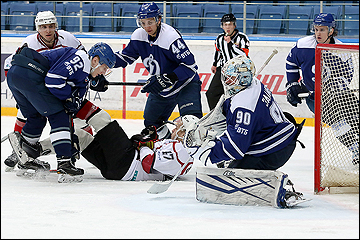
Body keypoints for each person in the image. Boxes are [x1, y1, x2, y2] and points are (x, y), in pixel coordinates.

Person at [6, 42, 116, 182]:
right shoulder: (81, 58)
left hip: (16, 75)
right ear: (95, 60)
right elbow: (53, 80)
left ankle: (25, 156)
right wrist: (68, 97)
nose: (103, 72)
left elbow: (71, 94)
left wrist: (86, 85)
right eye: (104, 67)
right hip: (30, 74)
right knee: (59, 116)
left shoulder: (83, 72)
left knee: (37, 118)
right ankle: (64, 164)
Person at [3, 11, 93, 170]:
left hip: (50, 81)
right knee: (55, 114)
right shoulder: (30, 42)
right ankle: (20, 153)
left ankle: (24, 154)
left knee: (37, 116)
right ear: (37, 28)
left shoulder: (68, 38)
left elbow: (83, 57)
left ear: (56, 26)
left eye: (51, 26)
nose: (48, 31)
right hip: (40, 82)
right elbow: (9, 64)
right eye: (44, 27)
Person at [191, 55, 305, 170]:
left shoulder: (244, 105)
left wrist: (206, 153)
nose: (226, 81)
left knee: (230, 178)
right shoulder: (254, 83)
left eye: (231, 78)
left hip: (272, 150)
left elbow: (235, 148)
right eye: (226, 77)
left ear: (243, 78)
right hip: (281, 137)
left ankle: (263, 179)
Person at [38, 102, 194, 181]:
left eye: (178, 128)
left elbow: (147, 162)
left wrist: (144, 144)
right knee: (80, 136)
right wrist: (146, 141)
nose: (174, 130)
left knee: (102, 120)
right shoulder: (180, 151)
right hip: (115, 171)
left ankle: (72, 102)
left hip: (127, 162)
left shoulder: (181, 150)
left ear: (185, 133)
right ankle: (33, 151)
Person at [113, 2, 203, 139]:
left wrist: (169, 78)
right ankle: (169, 147)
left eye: (150, 22)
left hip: (185, 84)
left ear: (159, 19)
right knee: (152, 126)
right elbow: (126, 57)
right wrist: (105, 63)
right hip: (162, 87)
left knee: (192, 124)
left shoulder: (170, 37)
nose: (147, 26)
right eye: (143, 23)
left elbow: (190, 66)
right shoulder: (138, 36)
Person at [285, 13, 358, 165]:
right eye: (316, 29)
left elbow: (348, 74)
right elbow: (291, 62)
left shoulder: (341, 49)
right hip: (315, 98)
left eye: (322, 30)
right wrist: (292, 83)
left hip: (340, 95)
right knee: (339, 124)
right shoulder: (303, 45)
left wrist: (336, 87)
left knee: (356, 119)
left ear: (331, 30)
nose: (318, 33)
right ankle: (355, 149)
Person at [206, 13, 250, 111]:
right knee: (211, 93)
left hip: (239, 70)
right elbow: (218, 52)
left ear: (234, 25)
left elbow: (243, 55)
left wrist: (230, 43)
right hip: (223, 69)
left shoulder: (242, 38)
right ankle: (216, 115)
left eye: (230, 24)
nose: (227, 27)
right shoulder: (219, 38)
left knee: (237, 96)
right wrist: (214, 64)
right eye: (225, 25)